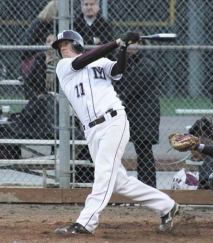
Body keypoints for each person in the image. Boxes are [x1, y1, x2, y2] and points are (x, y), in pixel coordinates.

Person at [51, 30, 179, 235]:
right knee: (119, 182)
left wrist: (124, 48)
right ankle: (167, 206)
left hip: (113, 121)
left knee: (103, 173)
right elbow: (82, 61)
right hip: (91, 131)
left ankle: (86, 223)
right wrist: (117, 42)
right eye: (59, 46)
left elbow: (118, 70)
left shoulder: (100, 62)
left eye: (66, 43)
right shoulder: (63, 66)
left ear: (77, 43)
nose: (62, 47)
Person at [113, 42, 159, 188]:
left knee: (143, 149)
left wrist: (120, 98)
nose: (132, 46)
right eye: (129, 43)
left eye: (135, 43)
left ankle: (147, 187)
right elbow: (116, 80)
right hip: (126, 111)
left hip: (144, 113)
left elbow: (136, 86)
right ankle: (116, 184)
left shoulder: (147, 63)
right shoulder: (121, 61)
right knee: (113, 148)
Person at [21, 34, 57, 100]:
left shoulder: (57, 61)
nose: (51, 43)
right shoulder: (38, 58)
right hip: (37, 89)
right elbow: (32, 77)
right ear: (45, 44)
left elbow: (52, 82)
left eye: (53, 42)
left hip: (52, 91)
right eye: (48, 41)